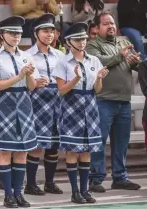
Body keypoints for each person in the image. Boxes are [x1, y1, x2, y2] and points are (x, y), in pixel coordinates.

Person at [86, 12, 142, 193]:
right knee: (99, 141)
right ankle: (95, 179)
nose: (110, 26)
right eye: (105, 24)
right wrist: (121, 55)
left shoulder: (124, 42)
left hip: (124, 101)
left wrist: (134, 62)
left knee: (121, 142)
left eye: (112, 23)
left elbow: (133, 63)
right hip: (103, 100)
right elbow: (101, 63)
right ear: (97, 28)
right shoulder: (92, 45)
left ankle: (120, 177)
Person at [53, 22, 108, 204]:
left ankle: (84, 190)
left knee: (86, 152)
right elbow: (61, 90)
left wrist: (99, 79)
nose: (82, 42)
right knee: (72, 151)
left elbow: (97, 90)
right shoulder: (62, 61)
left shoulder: (94, 60)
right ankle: (75, 191)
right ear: (69, 42)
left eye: (84, 38)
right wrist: (75, 78)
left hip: (90, 106)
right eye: (78, 39)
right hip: (71, 106)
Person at [0, 16, 39, 208]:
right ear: (2, 35)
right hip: (4, 102)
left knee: (22, 151)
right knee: (5, 151)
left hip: (24, 102)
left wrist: (30, 75)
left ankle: (19, 193)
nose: (16, 37)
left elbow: (31, 87)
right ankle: (8, 195)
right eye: (12, 33)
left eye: (18, 33)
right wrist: (19, 75)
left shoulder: (26, 55)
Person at [25, 13, 64, 196]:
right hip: (38, 100)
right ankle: (31, 184)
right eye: (45, 31)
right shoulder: (27, 55)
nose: (49, 35)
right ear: (36, 34)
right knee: (37, 144)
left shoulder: (59, 54)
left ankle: (49, 182)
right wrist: (33, 82)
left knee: (54, 144)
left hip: (57, 100)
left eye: (52, 31)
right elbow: (24, 80)